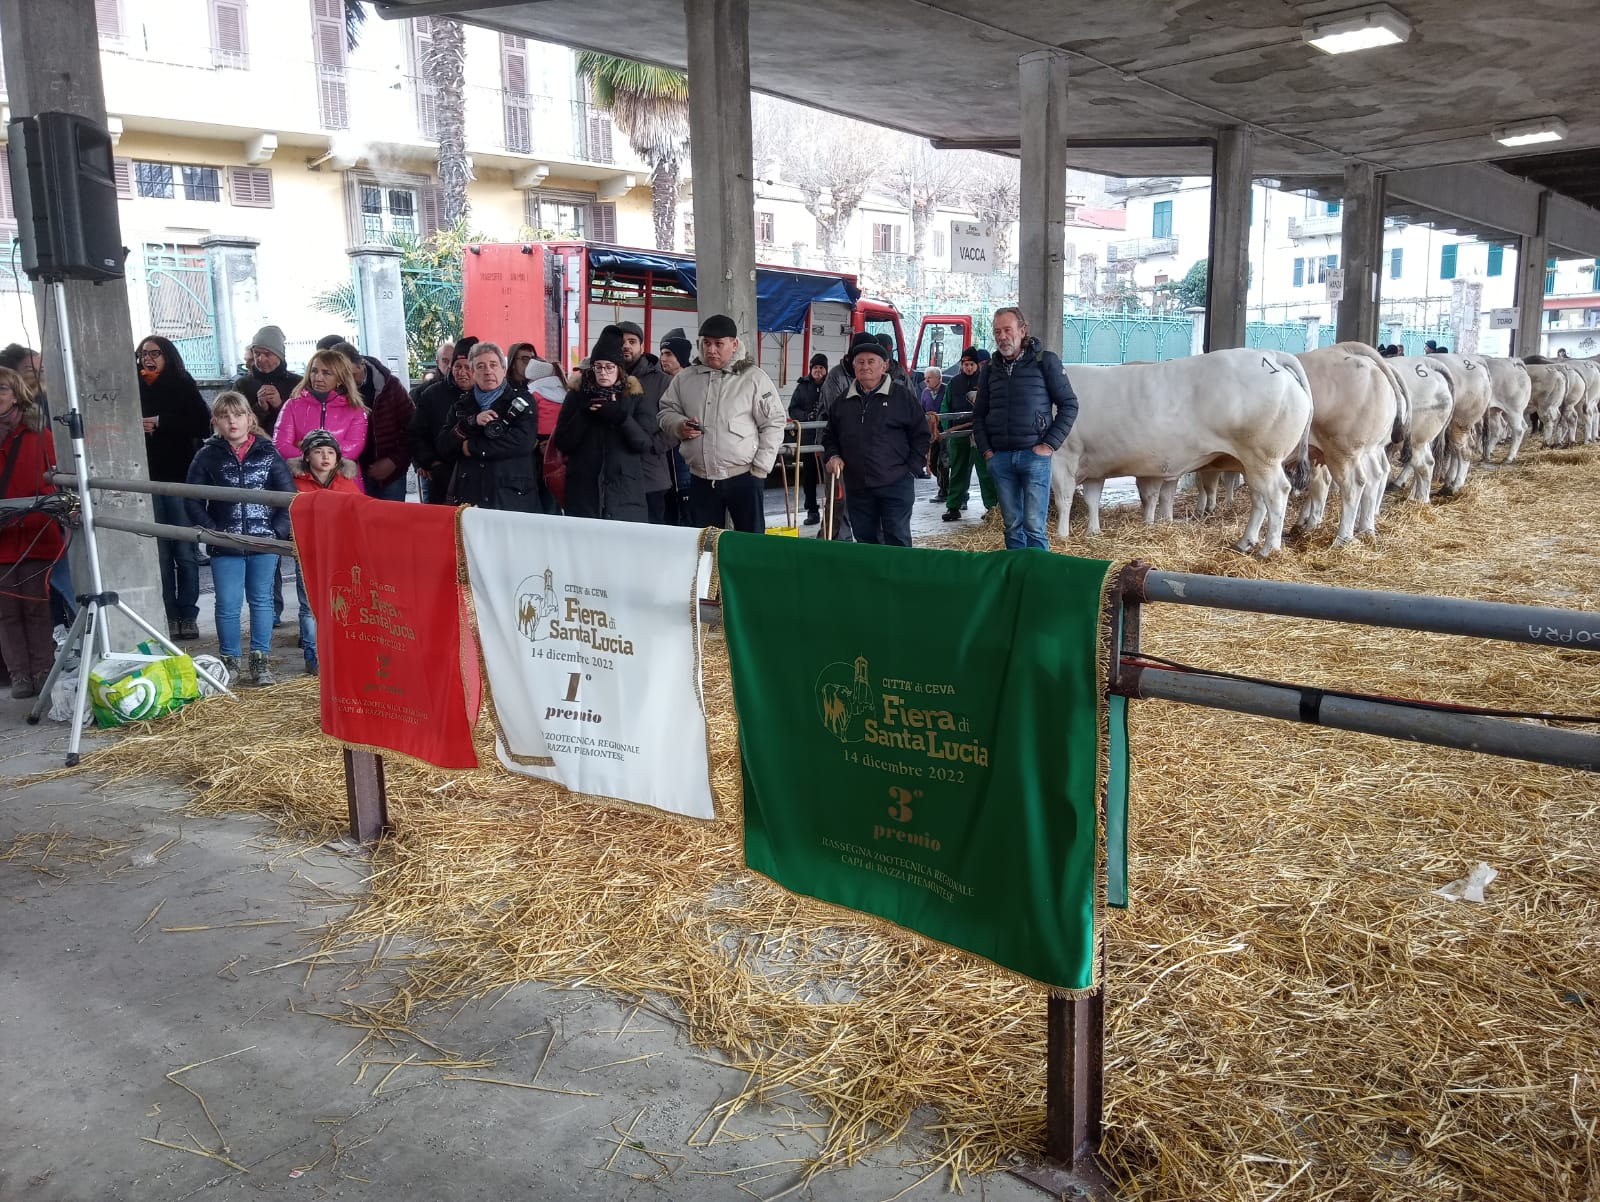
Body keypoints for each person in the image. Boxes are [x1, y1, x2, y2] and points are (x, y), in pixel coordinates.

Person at [185, 392, 292, 685]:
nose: (232, 421)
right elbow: (192, 498)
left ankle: (260, 661)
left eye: (238, 414)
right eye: (224, 416)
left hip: (263, 541)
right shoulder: (206, 454)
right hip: (226, 543)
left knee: (261, 600)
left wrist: (276, 532)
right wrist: (213, 530)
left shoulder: (268, 452)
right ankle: (229, 661)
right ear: (215, 421)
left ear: (250, 418)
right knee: (228, 604)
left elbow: (287, 496)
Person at [657, 315, 786, 533]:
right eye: (706, 343)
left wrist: (761, 468)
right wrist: (679, 425)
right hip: (700, 479)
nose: (711, 350)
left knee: (750, 543)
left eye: (719, 344)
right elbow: (665, 411)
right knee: (706, 545)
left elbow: (773, 422)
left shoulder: (754, 378)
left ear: (734, 344)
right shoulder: (685, 379)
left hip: (745, 477)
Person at [973, 307, 1078, 551]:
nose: (1002, 337)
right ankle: (1017, 575)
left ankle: (1039, 580)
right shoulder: (990, 369)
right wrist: (988, 451)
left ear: (1022, 330)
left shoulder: (1045, 361)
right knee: (1011, 524)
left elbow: (1069, 404)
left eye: (1007, 330)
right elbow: (978, 414)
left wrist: (1049, 445)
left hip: (1034, 457)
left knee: (1034, 525)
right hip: (1000, 458)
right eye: (997, 331)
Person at [136, 336, 211, 640]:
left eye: (155, 353)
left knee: (184, 549)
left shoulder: (182, 382)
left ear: (168, 356)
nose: (148, 359)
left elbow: (202, 422)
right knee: (160, 552)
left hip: (180, 478)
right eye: (143, 354)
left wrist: (160, 422)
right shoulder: (133, 386)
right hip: (148, 479)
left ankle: (188, 614)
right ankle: (167, 613)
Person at [822, 333, 928, 547]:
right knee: (865, 541)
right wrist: (832, 455)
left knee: (897, 539)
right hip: (858, 486)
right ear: (853, 366)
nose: (865, 367)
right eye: (860, 362)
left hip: (896, 483)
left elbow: (922, 434)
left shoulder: (902, 397)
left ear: (884, 366)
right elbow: (830, 436)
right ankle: (871, 581)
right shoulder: (843, 402)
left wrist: (912, 469)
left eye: (871, 362)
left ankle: (900, 581)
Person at [0, 365, 63, 698]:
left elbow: (56, 483)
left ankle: (42, 667)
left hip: (36, 533)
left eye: (2, 389)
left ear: (17, 395)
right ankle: (19, 675)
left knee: (36, 605)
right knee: (6, 611)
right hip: (2, 539)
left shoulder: (41, 437)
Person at [552, 325, 656, 522]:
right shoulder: (576, 396)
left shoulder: (634, 396)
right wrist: (583, 415)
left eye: (609, 367)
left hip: (624, 495)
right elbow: (563, 442)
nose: (603, 372)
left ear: (619, 369)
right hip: (584, 495)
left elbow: (643, 444)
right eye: (598, 366)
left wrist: (622, 418)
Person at [286, 428, 361, 675]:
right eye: (318, 452)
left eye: (330, 452)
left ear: (338, 458)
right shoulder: (294, 483)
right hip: (308, 551)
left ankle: (338, 652)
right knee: (309, 605)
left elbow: (362, 512)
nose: (325, 457)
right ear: (307, 456)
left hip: (340, 552)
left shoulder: (346, 483)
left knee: (340, 603)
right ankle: (313, 655)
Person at [439, 342, 541, 511]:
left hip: (513, 498)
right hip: (471, 498)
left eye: (493, 365)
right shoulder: (461, 406)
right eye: (481, 366)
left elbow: (522, 442)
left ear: (503, 369)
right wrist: (470, 423)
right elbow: (443, 445)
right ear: (473, 372)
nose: (488, 371)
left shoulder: (523, 401)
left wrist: (471, 447)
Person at [329, 341, 414, 500]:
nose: (349, 382)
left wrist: (393, 461)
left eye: (352, 375)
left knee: (391, 521)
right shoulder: (334, 391)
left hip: (390, 474)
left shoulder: (390, 386)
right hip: (348, 474)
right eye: (342, 376)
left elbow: (413, 428)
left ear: (361, 364)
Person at [615, 321, 676, 523]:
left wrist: (653, 447)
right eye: (621, 341)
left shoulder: (662, 381)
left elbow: (675, 423)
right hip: (614, 478)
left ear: (642, 346)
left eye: (632, 341)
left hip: (650, 477)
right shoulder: (604, 378)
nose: (626, 346)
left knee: (652, 538)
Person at [273, 348, 368, 466]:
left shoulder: (355, 409)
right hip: (300, 478)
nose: (318, 378)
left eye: (326, 373)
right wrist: (317, 457)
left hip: (341, 479)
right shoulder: (292, 405)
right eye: (314, 371)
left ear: (340, 378)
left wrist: (306, 448)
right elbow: (280, 445)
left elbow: (354, 448)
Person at [410, 337, 475, 504]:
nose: (462, 372)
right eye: (457, 366)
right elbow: (416, 434)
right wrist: (431, 462)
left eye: (468, 367)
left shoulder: (488, 394)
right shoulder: (431, 394)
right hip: (441, 478)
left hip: (480, 478)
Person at [940, 347, 999, 523]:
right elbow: (945, 406)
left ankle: (992, 508)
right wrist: (947, 427)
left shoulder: (986, 381)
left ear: (977, 365)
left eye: (971, 364)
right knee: (958, 470)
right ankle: (953, 506)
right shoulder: (954, 383)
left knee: (985, 471)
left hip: (980, 434)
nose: (968, 367)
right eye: (965, 364)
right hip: (958, 435)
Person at [231, 325, 301, 436]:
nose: (261, 359)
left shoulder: (298, 384)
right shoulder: (242, 385)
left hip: (290, 448)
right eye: (257, 353)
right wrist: (260, 408)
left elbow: (304, 424)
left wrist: (280, 406)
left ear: (279, 355)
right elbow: (234, 424)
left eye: (267, 354)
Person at [787, 353, 828, 525]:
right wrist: (807, 416)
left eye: (821, 367)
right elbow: (792, 409)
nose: (818, 371)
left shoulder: (830, 385)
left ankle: (831, 509)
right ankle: (812, 510)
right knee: (809, 477)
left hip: (827, 439)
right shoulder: (802, 387)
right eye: (815, 367)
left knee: (829, 477)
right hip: (809, 439)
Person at [658, 330, 695, 524]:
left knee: (687, 512)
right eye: (662, 353)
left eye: (669, 354)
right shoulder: (660, 381)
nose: (663, 358)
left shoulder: (693, 382)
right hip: (664, 457)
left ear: (681, 357)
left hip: (686, 457)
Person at [410, 338, 456, 404]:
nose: (450, 365)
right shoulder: (421, 391)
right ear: (437, 362)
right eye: (445, 361)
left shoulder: (465, 388)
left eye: (453, 361)